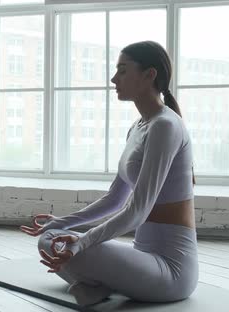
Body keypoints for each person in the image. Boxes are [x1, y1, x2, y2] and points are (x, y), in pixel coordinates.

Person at [20, 41, 198, 306]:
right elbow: (114, 199)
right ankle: (97, 286)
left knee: (71, 247)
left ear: (149, 75)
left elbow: (137, 211)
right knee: (51, 239)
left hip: (171, 271)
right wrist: (61, 223)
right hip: (142, 258)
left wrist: (82, 242)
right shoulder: (138, 127)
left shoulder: (166, 126)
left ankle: (94, 284)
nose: (114, 78)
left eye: (123, 70)